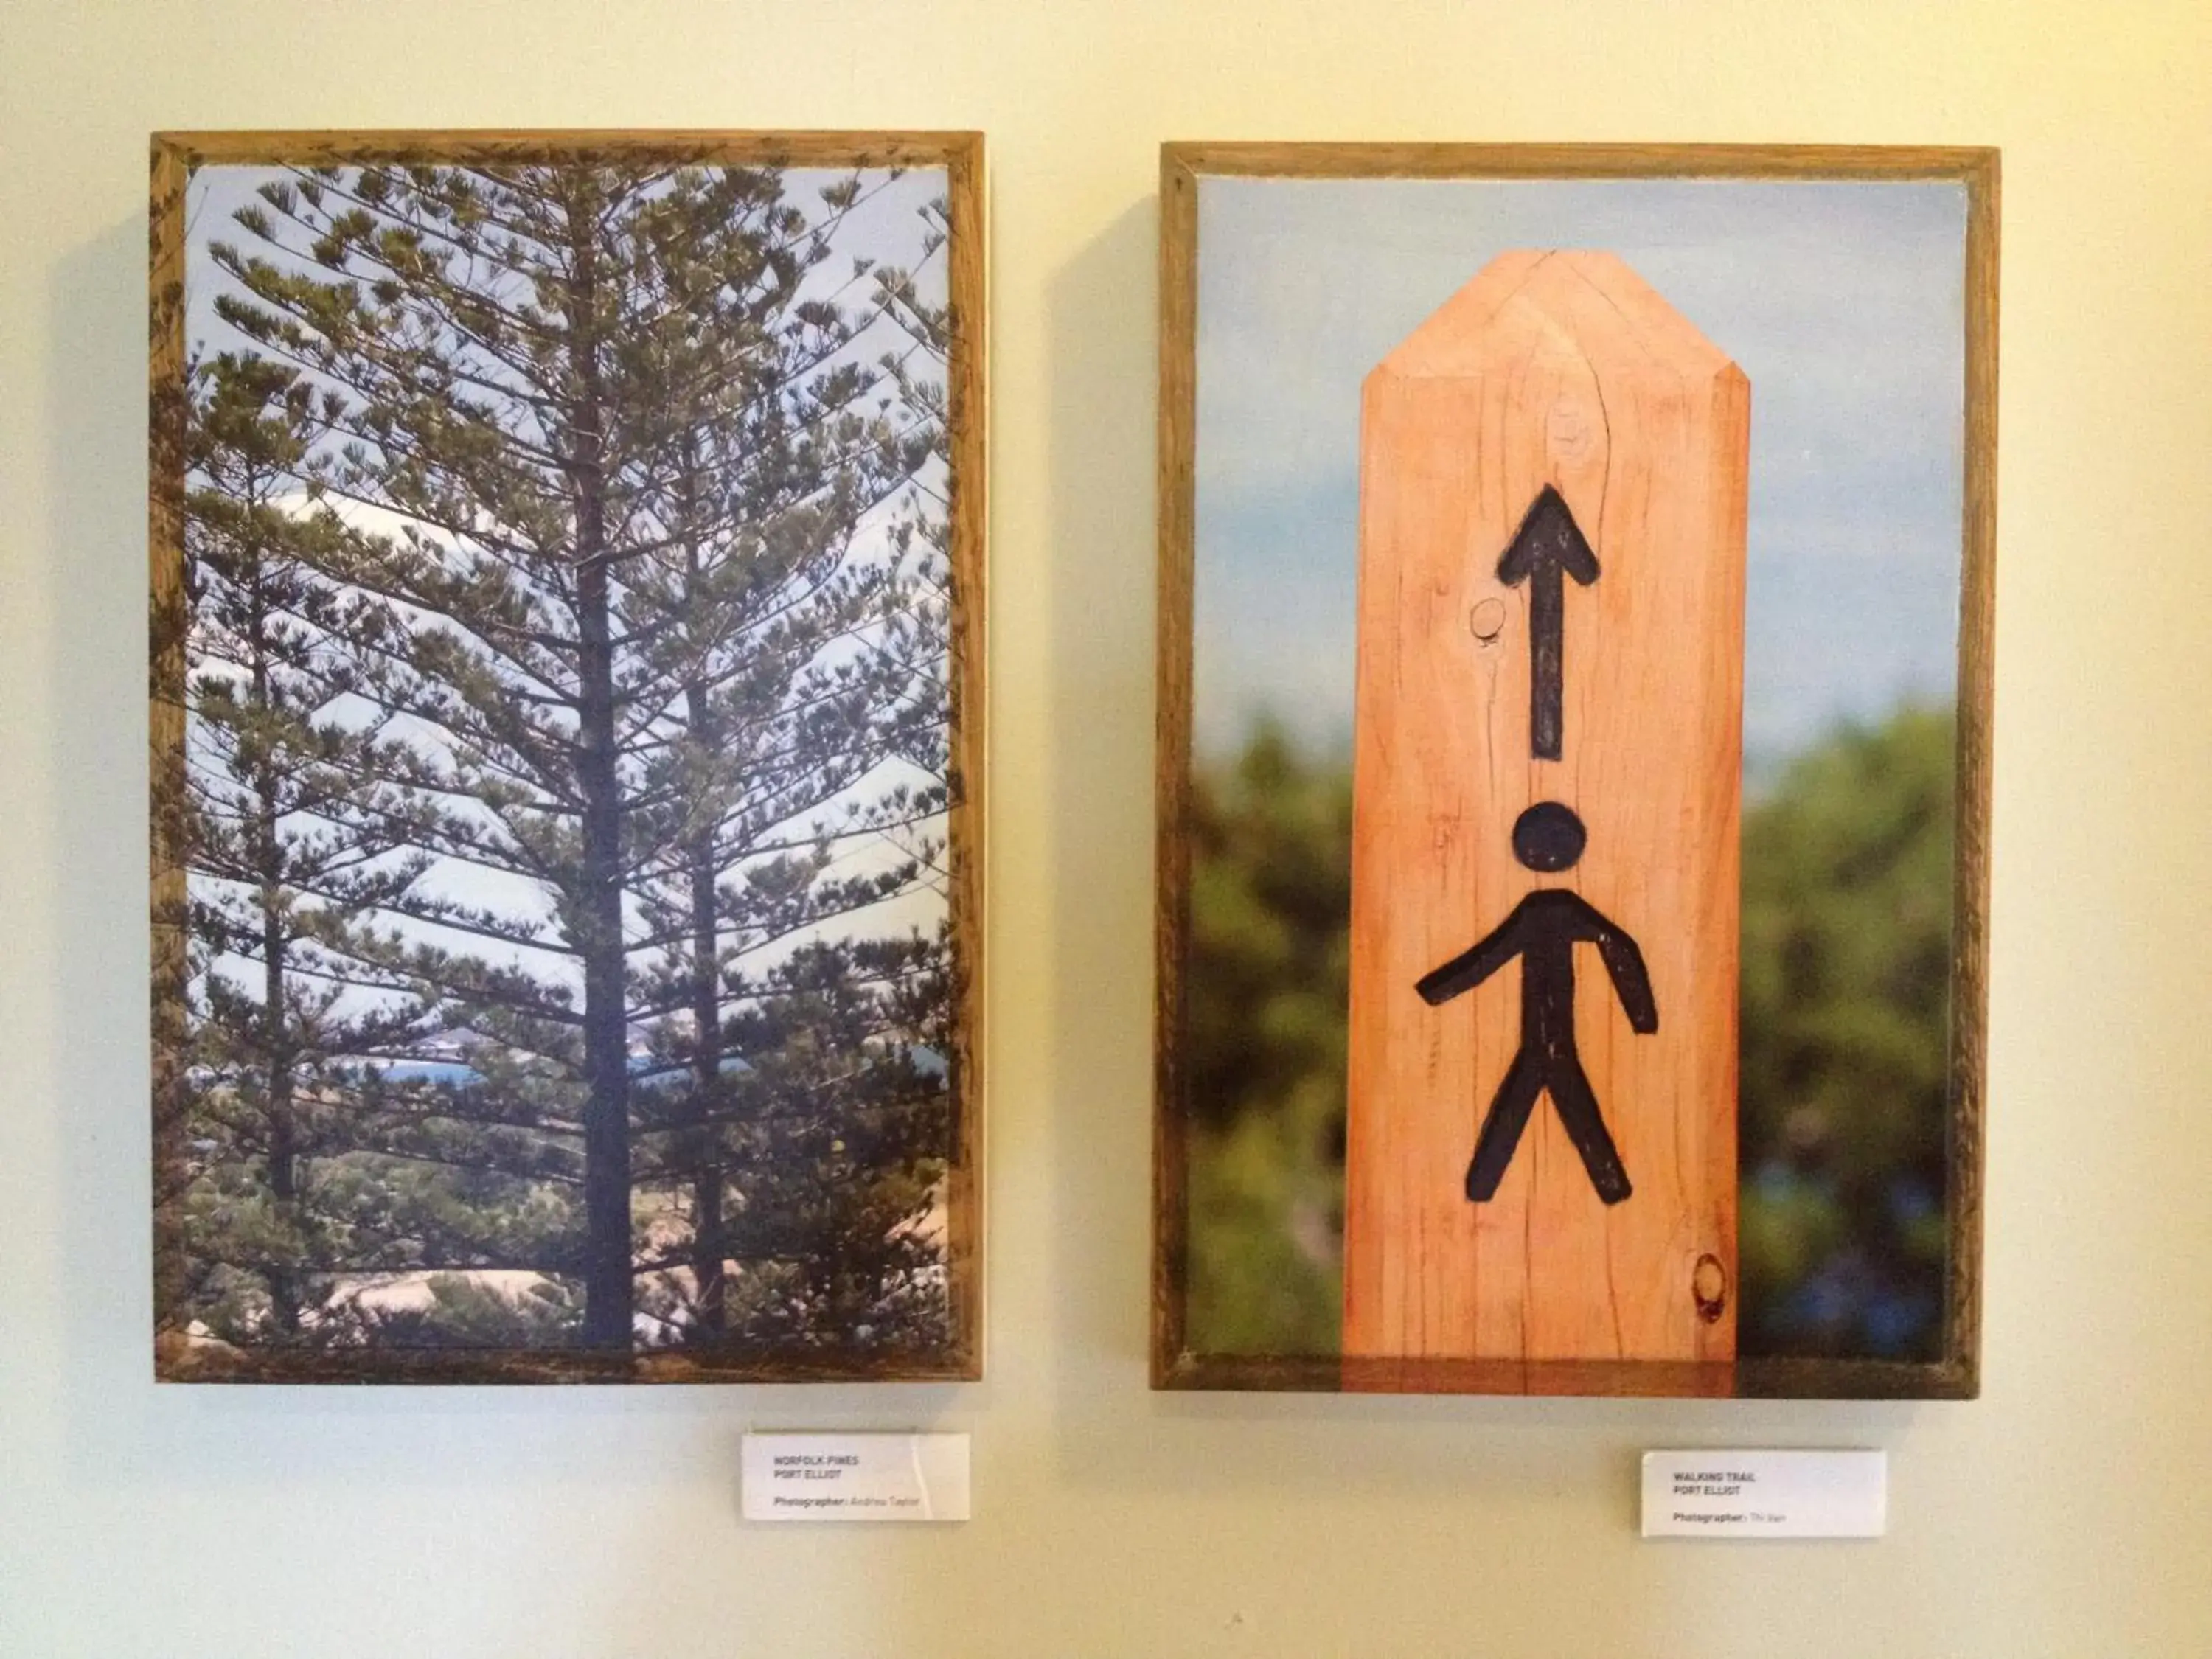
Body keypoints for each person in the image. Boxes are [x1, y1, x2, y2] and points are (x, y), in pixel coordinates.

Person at [1414, 801, 1657, 1205]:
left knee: (1541, 1107)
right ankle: (1604, 1186)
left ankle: (1486, 1187)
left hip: (1546, 1041)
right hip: (1548, 1040)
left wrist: (1439, 990)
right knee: (1554, 1108)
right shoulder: (1558, 910)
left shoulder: (1543, 911)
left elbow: (1487, 958)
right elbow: (1620, 948)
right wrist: (1641, 1015)